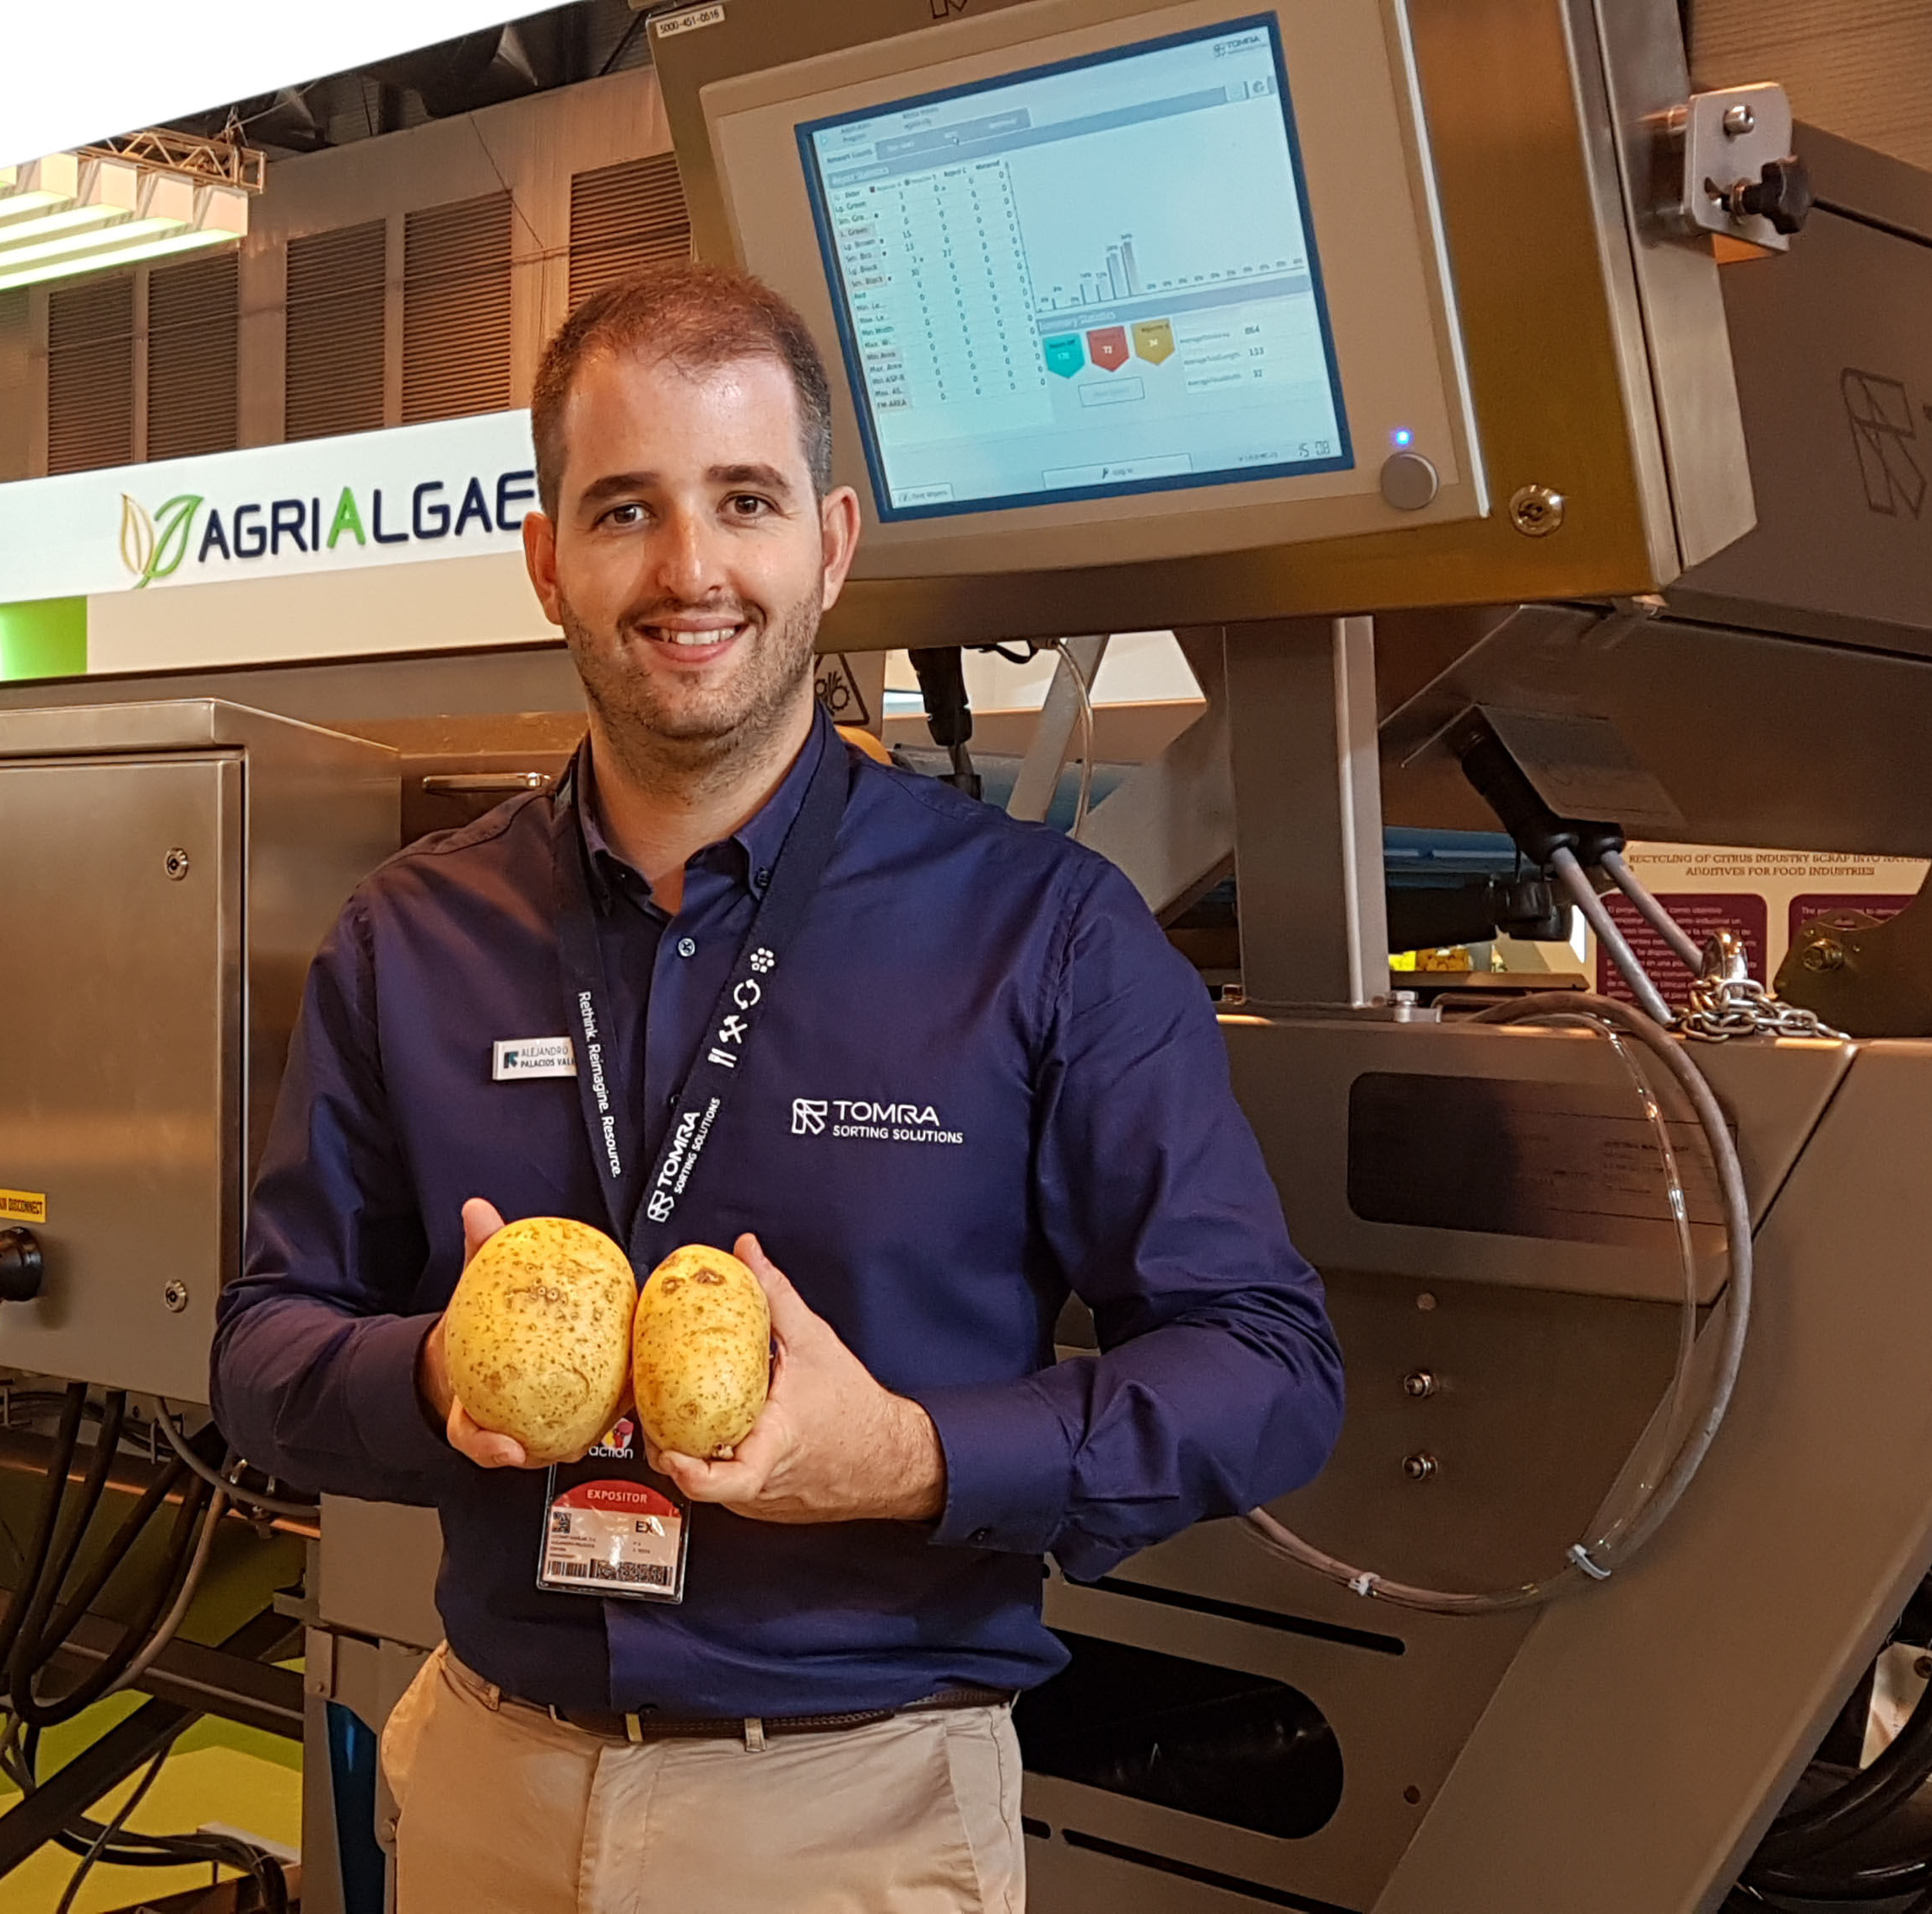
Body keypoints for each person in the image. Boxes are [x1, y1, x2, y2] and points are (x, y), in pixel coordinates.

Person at [212, 263, 1345, 1913]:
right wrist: (431, 1365)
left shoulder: (1039, 933)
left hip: (857, 1810)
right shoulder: (412, 936)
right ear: (547, 558)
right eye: (624, 511)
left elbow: (1272, 1368)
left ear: (828, 539)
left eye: (742, 502)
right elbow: (262, 1354)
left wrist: (908, 1454)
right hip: (484, 1784)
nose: (689, 571)